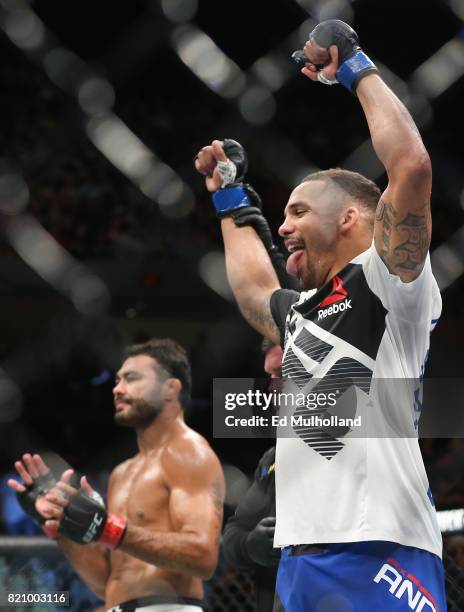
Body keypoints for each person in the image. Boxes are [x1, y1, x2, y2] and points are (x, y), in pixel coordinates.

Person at [194, 19, 446, 612]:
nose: (282, 228)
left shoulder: (388, 282)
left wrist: (355, 66)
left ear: (352, 219)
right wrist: (229, 196)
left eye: (298, 211)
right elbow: (256, 291)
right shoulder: (304, 311)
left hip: (378, 546)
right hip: (301, 555)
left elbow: (410, 168)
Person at [8, 338, 225, 612]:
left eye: (131, 379)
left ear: (170, 388)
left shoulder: (189, 453)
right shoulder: (123, 473)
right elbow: (105, 582)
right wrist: (62, 525)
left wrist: (109, 528)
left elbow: (203, 556)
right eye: (118, 380)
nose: (117, 389)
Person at [222, 339, 283, 612]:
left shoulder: (364, 452)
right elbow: (234, 533)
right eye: (270, 376)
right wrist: (250, 546)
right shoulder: (273, 458)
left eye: (282, 374)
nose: (271, 387)